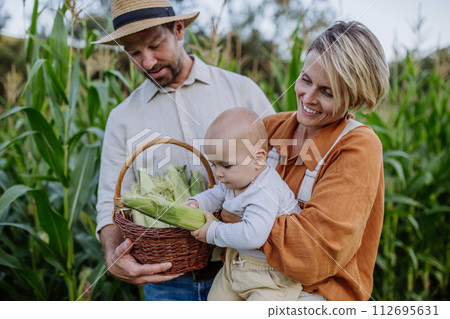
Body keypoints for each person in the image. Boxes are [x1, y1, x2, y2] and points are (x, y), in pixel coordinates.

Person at [94, 0, 275, 301]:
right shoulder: (122, 117)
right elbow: (109, 203)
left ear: (178, 29)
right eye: (134, 53)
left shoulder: (241, 91)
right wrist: (113, 253)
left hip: (248, 271)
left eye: (155, 45)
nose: (148, 62)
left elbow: (278, 167)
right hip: (166, 281)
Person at [222, 20, 390, 301]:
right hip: (245, 274)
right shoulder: (269, 129)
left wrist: (240, 218)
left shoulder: (358, 146)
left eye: (327, 92)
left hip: (313, 292)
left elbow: (315, 253)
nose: (307, 98)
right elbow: (223, 184)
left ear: (356, 100)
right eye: (306, 80)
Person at [185, 107, 303, 300]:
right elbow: (215, 195)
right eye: (214, 165)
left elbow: (253, 236)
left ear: (258, 159)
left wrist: (213, 232)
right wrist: (195, 203)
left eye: (226, 165)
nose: (218, 173)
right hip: (236, 264)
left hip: (271, 276)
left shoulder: (265, 190)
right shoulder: (237, 179)